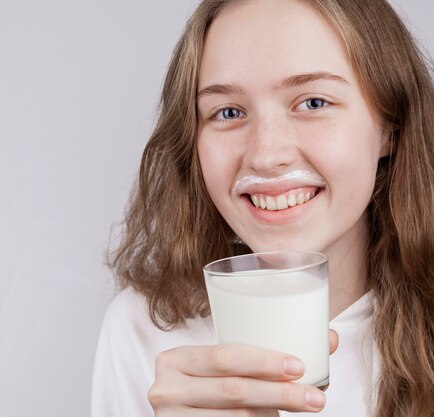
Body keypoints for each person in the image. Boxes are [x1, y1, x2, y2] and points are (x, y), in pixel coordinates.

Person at [91, 0, 434, 416]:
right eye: (229, 112)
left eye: (313, 103)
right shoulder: (142, 328)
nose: (266, 155)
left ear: (389, 127)